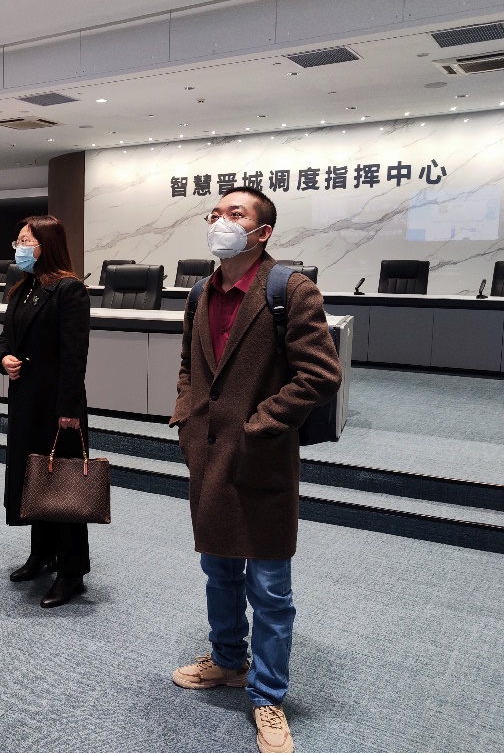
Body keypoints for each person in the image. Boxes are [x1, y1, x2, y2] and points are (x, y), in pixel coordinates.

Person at [169, 187, 342, 753]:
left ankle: (268, 695)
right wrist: (185, 415)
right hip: (207, 454)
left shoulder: (289, 289)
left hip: (261, 455)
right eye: (216, 213)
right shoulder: (201, 291)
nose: (220, 221)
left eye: (235, 214)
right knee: (218, 569)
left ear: (262, 232)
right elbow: (189, 365)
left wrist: (261, 423)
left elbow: (320, 374)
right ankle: (227, 660)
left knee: (269, 589)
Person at [0, 215, 91, 608]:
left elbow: (75, 355)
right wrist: (4, 359)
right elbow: (6, 337)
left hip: (56, 405)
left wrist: (68, 408)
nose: (19, 248)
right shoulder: (23, 288)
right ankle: (42, 554)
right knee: (34, 479)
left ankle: (71, 573)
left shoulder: (69, 290)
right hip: (25, 401)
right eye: (17, 241)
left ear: (46, 245)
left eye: (26, 241)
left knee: (63, 488)